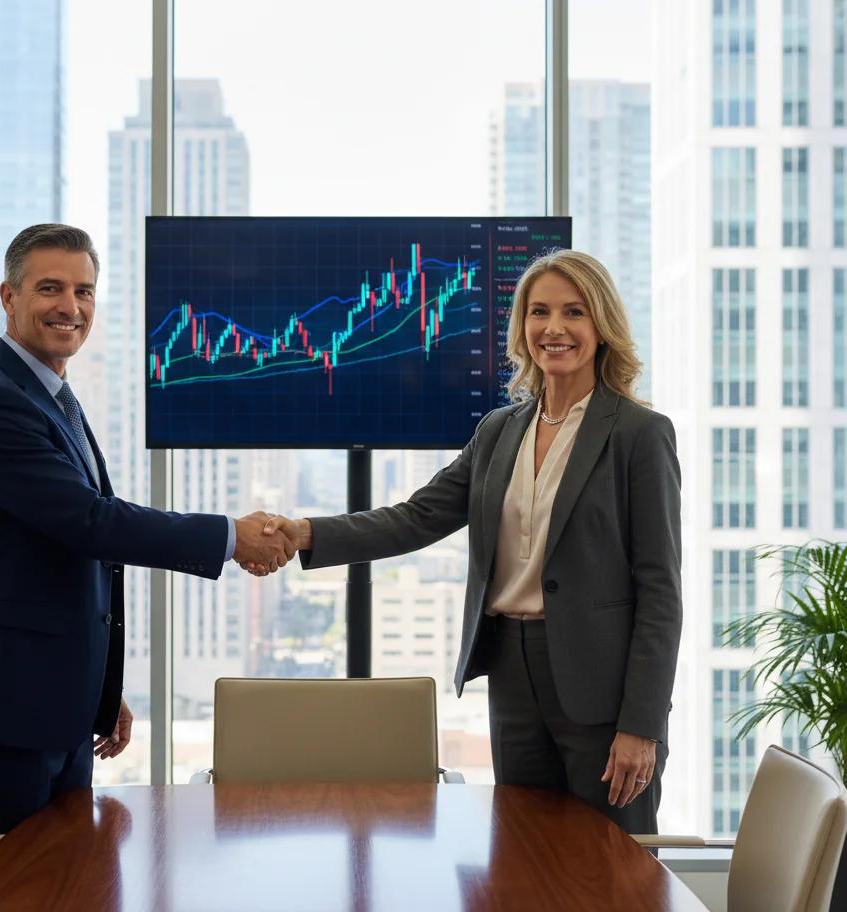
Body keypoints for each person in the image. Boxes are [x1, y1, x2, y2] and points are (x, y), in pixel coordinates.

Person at [260, 250, 681, 833]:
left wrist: (642, 723)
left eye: (573, 312)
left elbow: (661, 591)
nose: (553, 328)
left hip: (604, 689)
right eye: (539, 312)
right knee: (524, 855)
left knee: (612, 869)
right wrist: (305, 533)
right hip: (512, 673)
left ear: (601, 326)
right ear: (521, 326)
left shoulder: (640, 433)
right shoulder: (500, 430)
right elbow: (416, 517)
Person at [0, 223, 290, 886]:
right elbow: (91, 524)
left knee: (69, 882)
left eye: (84, 291)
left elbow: (70, 561)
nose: (71, 307)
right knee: (3, 893)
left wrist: (97, 686)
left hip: (46, 702)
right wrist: (230, 537)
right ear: (8, 296)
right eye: (50, 288)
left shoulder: (49, 395)